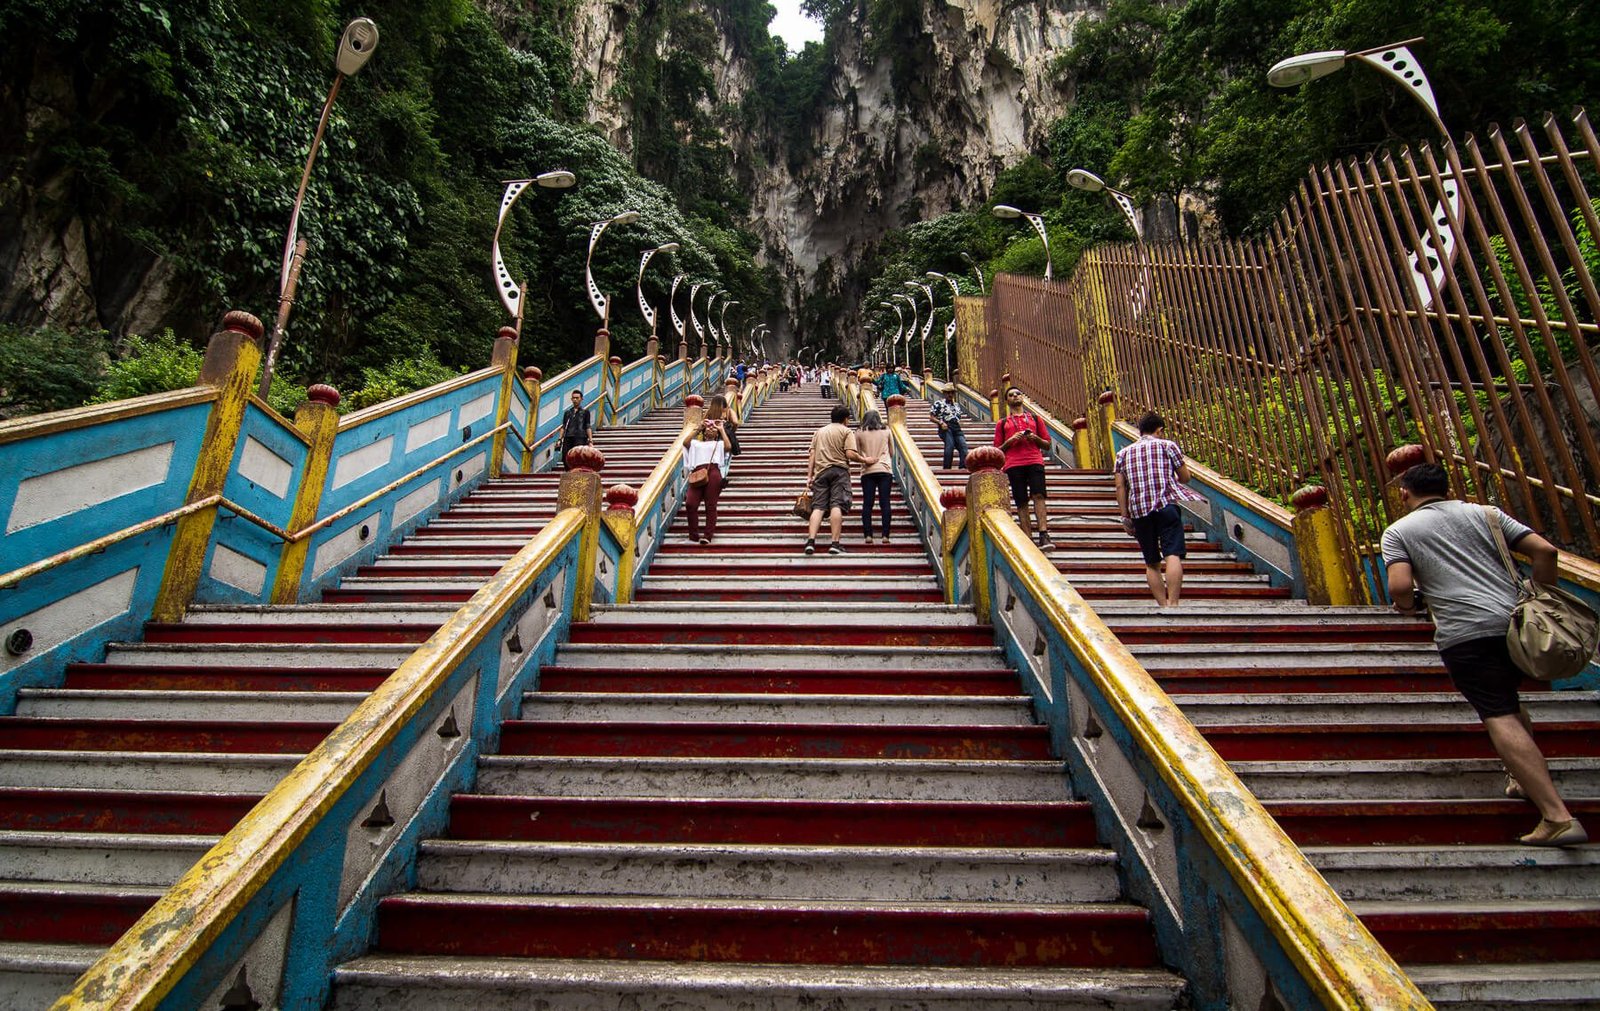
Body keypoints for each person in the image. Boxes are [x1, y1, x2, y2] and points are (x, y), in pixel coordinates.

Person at [1382, 462, 1585, 847]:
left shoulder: (1399, 532)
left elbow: (1400, 587)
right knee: (1508, 699)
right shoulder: (1484, 514)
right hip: (1514, 623)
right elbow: (1545, 551)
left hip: (1465, 633)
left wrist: (1409, 607)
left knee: (1498, 713)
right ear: (1445, 486)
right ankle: (1521, 776)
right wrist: (1540, 594)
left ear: (1404, 493)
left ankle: (1556, 816)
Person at [1114, 411, 1199, 607]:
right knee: (1172, 554)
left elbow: (1120, 486)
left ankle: (1162, 605)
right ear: (1159, 430)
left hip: (1139, 511)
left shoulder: (1123, 454)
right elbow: (1185, 477)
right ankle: (1174, 604)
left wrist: (1125, 516)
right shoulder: (1168, 446)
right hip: (1166, 506)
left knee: (1151, 562)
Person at [993, 387, 1054, 550]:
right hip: (1013, 464)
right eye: (1011, 395)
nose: (1015, 397)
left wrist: (1035, 438)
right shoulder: (1002, 423)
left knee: (1039, 495)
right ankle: (1027, 538)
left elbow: (1047, 444)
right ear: (1007, 401)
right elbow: (997, 450)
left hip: (1035, 460)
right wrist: (1011, 440)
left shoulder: (1035, 418)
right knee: (1021, 501)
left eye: (1018, 394)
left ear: (1022, 398)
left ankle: (1043, 533)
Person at [804, 403, 863, 555]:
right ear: (845, 419)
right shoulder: (846, 431)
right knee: (837, 505)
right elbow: (850, 454)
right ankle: (835, 543)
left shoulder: (819, 432)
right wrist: (865, 460)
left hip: (821, 472)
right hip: (839, 471)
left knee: (818, 507)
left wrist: (809, 477)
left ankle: (811, 541)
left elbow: (812, 455)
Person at [682, 410, 731, 545]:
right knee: (690, 503)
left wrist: (721, 429)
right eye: (708, 427)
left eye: (712, 428)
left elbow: (728, 447)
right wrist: (699, 427)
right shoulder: (697, 444)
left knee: (711, 505)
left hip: (713, 472)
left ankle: (707, 536)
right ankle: (693, 534)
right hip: (698, 472)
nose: (710, 429)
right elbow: (686, 442)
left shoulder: (719, 444)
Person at [855, 409, 892, 543]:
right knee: (885, 502)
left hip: (867, 470)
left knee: (867, 503)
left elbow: (858, 453)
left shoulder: (859, 433)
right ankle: (885, 535)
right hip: (884, 469)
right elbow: (892, 452)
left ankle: (868, 535)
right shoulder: (887, 431)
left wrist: (866, 458)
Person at [929, 386, 968, 469]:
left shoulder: (956, 405)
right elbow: (931, 417)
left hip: (956, 427)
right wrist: (940, 422)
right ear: (944, 393)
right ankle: (947, 468)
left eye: (952, 393)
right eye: (948, 392)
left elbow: (958, 417)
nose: (950, 394)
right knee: (949, 446)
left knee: (963, 446)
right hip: (945, 426)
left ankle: (963, 467)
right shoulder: (938, 404)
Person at [559, 388, 592, 468]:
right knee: (565, 456)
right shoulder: (568, 412)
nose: (575, 400)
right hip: (568, 436)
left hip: (580, 437)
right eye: (573, 398)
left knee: (578, 457)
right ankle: (569, 472)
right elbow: (563, 426)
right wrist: (560, 439)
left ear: (581, 399)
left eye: (577, 398)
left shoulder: (585, 412)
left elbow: (587, 426)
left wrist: (590, 440)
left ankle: (577, 473)